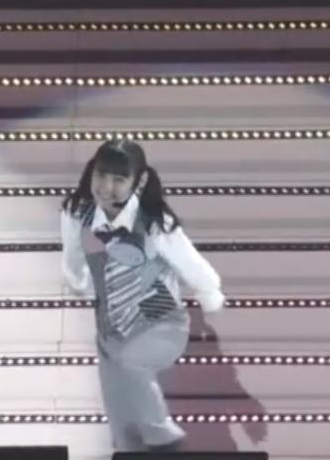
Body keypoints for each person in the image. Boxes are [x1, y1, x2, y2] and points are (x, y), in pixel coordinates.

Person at [60, 140, 226, 452]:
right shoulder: (77, 213)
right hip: (112, 324)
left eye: (119, 179)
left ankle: (164, 437)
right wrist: (79, 283)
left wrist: (209, 293)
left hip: (160, 321)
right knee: (116, 399)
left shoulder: (154, 220)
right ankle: (128, 448)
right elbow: (73, 256)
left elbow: (189, 261)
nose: (107, 187)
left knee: (130, 363)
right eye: (101, 176)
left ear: (139, 181)